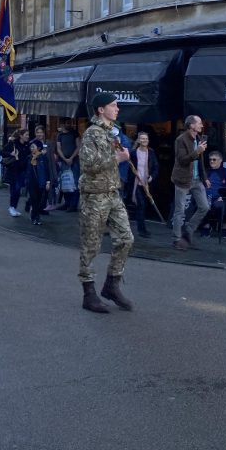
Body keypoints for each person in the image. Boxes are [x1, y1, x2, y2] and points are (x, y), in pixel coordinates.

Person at [78, 92, 135, 314]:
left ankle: (112, 285)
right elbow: (87, 164)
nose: (117, 109)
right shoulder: (92, 134)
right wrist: (116, 158)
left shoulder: (111, 132)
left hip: (112, 193)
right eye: (113, 105)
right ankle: (88, 293)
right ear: (101, 109)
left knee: (125, 238)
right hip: (94, 196)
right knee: (90, 245)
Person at [171, 114, 210, 251]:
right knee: (180, 211)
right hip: (183, 179)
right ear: (192, 125)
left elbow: (201, 162)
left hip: (197, 179)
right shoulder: (181, 140)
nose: (201, 125)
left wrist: (205, 177)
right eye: (199, 123)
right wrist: (197, 151)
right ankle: (176, 239)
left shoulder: (198, 138)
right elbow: (182, 160)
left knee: (204, 206)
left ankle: (188, 231)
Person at [129, 132, 159, 238]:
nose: (144, 140)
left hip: (147, 184)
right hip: (137, 183)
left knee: (145, 205)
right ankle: (141, 230)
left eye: (146, 138)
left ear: (148, 140)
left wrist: (151, 177)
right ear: (138, 140)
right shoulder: (133, 153)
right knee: (140, 205)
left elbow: (156, 167)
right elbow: (130, 168)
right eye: (142, 138)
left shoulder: (151, 153)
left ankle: (142, 228)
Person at [202, 151, 226, 237]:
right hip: (207, 197)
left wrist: (223, 197)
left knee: (220, 205)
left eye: (214, 159)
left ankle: (225, 226)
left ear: (220, 160)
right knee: (202, 203)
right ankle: (207, 225)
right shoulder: (206, 172)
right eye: (210, 160)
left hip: (221, 197)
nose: (211, 161)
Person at [3, 128, 30, 217]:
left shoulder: (27, 145)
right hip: (14, 170)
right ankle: (12, 207)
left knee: (18, 190)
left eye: (28, 135)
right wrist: (11, 154)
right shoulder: (13, 143)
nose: (28, 136)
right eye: (26, 135)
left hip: (23, 170)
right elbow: (2, 152)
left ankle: (13, 207)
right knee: (15, 189)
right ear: (21, 136)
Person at [56, 121, 80, 212]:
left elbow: (78, 146)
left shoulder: (75, 133)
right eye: (66, 123)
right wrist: (65, 159)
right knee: (65, 182)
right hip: (64, 161)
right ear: (62, 124)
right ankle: (67, 203)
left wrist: (71, 158)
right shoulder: (60, 135)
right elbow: (59, 148)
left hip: (74, 161)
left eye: (69, 122)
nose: (68, 124)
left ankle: (73, 205)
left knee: (75, 183)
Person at [27, 139, 51, 226]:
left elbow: (47, 170)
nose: (31, 148)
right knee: (34, 200)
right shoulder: (29, 157)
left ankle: (35, 215)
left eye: (33, 146)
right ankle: (35, 217)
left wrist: (48, 182)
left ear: (39, 148)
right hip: (31, 182)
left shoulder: (43, 158)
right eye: (31, 147)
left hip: (40, 182)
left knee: (39, 200)